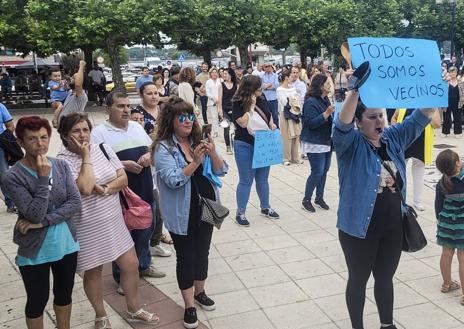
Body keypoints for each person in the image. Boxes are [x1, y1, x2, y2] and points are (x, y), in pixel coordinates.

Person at [333, 65, 434, 329]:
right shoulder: (350, 145)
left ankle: (387, 325)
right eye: (372, 117)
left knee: (385, 278)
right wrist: (354, 91)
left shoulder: (393, 138)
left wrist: (430, 82)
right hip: (358, 227)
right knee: (358, 279)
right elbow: (340, 124)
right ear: (358, 121)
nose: (379, 122)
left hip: (392, 225)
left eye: (381, 116)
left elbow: (421, 116)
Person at [57, 113, 158, 327]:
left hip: (113, 220)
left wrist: (105, 189)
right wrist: (85, 155)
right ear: (66, 135)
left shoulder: (102, 148)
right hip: (87, 224)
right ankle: (101, 314)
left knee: (131, 264)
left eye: (85, 129)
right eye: (76, 130)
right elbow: (84, 187)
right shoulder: (62, 161)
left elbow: (123, 178)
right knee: (93, 271)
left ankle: (133, 308)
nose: (83, 134)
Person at [153, 99, 228, 329]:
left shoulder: (199, 140)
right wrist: (195, 161)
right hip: (181, 213)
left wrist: (213, 153)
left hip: (207, 207)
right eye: (181, 117)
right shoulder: (163, 147)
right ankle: (189, 306)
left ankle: (200, 292)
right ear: (171, 121)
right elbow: (173, 180)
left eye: (190, 116)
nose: (188, 121)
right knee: (186, 257)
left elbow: (221, 170)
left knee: (202, 253)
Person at [3, 116, 81, 329]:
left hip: (66, 243)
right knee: (37, 300)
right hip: (36, 249)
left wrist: (45, 221)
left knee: (64, 294)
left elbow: (75, 203)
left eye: (44, 137)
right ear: (21, 142)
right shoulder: (13, 176)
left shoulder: (62, 165)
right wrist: (42, 178)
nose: (40, 144)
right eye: (32, 139)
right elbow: (33, 214)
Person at [91, 91, 166, 285]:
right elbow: (94, 164)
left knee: (146, 231)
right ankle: (121, 277)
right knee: (124, 238)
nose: (126, 110)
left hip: (146, 188)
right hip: (122, 196)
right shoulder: (98, 133)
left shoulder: (136, 127)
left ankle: (144, 265)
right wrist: (123, 164)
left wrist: (149, 156)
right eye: (120, 106)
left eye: (127, 106)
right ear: (108, 109)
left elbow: (152, 148)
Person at [232, 75, 280, 227]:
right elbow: (242, 123)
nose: (261, 88)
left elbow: (269, 115)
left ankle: (265, 207)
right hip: (244, 144)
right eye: (258, 86)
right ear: (250, 88)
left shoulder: (263, 97)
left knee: (263, 178)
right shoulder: (238, 102)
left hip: (263, 142)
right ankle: (240, 212)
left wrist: (272, 124)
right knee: (246, 180)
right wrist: (250, 107)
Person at [391, 108, 441, 211]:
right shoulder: (404, 102)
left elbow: (437, 124)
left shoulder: (430, 105)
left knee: (417, 174)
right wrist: (395, 131)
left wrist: (425, 114)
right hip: (404, 143)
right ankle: (401, 199)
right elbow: (394, 118)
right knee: (400, 174)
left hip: (421, 144)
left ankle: (417, 201)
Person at [300, 74, 334, 212]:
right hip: (314, 141)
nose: (329, 85)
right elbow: (310, 123)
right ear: (320, 86)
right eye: (327, 83)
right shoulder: (311, 102)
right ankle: (306, 199)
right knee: (317, 171)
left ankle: (319, 197)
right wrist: (326, 114)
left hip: (326, 139)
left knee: (324, 170)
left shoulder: (325, 99)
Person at [435, 149, 464, 306]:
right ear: (457, 163)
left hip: (446, 223)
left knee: (446, 254)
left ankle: (447, 284)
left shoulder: (442, 182)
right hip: (462, 224)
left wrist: (440, 220)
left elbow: (438, 206)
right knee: (463, 258)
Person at [277, 70, 302, 166]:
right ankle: (285, 158)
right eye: (291, 76)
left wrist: (294, 102)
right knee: (286, 136)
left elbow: (297, 99)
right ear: (286, 77)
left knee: (296, 134)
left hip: (295, 112)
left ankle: (295, 157)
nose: (293, 77)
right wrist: (293, 101)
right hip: (285, 114)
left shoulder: (293, 88)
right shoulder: (279, 89)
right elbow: (284, 102)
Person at [0, 102, 16, 213]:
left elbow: (10, 126)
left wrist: (6, 142)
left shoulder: (0, 107)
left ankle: (11, 203)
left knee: (4, 174)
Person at [217, 68, 237, 155]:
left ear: (230, 74)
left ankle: (236, 144)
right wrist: (220, 110)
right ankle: (228, 146)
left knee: (237, 128)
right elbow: (219, 99)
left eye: (225, 73)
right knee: (226, 128)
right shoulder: (221, 85)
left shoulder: (236, 85)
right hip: (225, 109)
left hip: (235, 109)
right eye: (223, 73)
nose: (224, 75)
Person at [443, 66, 463, 137]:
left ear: (457, 73)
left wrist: (462, 101)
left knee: (457, 117)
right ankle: (445, 132)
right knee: (446, 117)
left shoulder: (460, 82)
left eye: (454, 72)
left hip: (457, 102)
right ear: (449, 73)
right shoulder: (446, 82)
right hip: (447, 101)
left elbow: (462, 92)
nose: (453, 73)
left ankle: (457, 132)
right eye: (451, 72)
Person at [261, 62, 280, 127]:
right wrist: (269, 85)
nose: (268, 67)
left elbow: (276, 85)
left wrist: (266, 86)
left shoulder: (275, 75)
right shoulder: (262, 76)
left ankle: (277, 129)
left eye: (269, 66)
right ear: (264, 68)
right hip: (265, 99)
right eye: (266, 66)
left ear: (271, 67)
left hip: (273, 99)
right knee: (266, 116)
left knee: (275, 116)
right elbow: (261, 86)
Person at [205, 68, 221, 137]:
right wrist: (213, 98)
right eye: (213, 72)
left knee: (222, 117)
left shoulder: (220, 80)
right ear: (210, 74)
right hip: (212, 102)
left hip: (220, 101)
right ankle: (215, 132)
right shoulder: (208, 82)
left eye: (215, 72)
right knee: (214, 117)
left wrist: (219, 99)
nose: (214, 74)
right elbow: (207, 93)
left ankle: (224, 133)